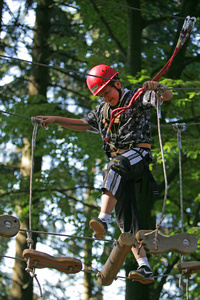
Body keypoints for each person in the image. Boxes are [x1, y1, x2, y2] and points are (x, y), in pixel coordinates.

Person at [38, 64, 173, 284]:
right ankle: (145, 267)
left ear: (117, 84)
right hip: (119, 167)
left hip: (138, 155)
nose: (105, 98)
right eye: (100, 96)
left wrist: (157, 86)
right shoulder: (102, 111)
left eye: (107, 93)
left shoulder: (137, 97)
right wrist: (55, 119)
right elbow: (82, 124)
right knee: (126, 219)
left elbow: (166, 96)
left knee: (113, 167)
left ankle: (103, 219)